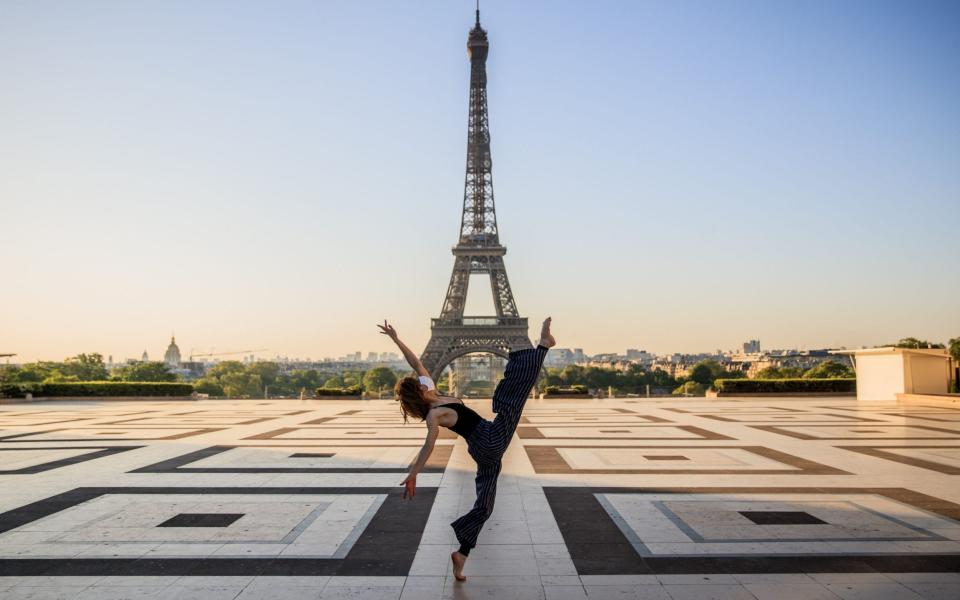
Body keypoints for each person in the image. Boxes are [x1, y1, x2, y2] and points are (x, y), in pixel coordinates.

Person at [378, 317, 555, 581]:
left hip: (483, 445)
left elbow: (416, 362)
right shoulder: (433, 414)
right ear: (418, 393)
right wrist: (415, 473)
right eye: (419, 384)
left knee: (485, 504)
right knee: (510, 401)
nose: (422, 381)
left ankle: (461, 554)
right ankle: (543, 346)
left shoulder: (432, 391)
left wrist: (395, 339)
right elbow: (428, 446)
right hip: (488, 439)